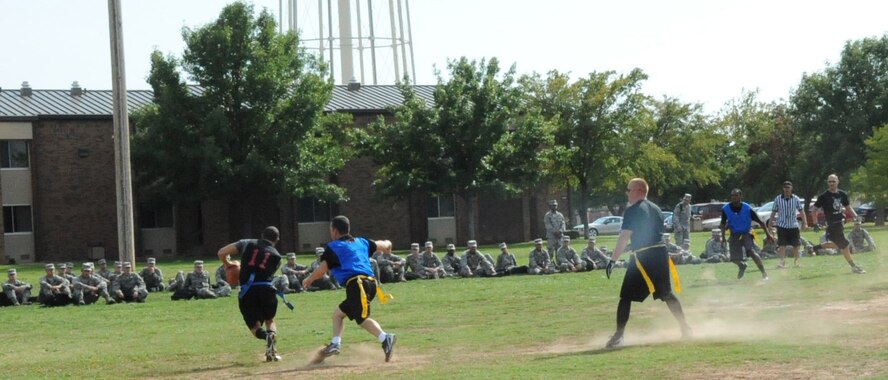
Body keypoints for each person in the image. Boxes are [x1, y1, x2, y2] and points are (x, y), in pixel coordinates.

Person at [604, 178, 691, 349]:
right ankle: (685, 328)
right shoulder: (656, 209)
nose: (626, 193)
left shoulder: (633, 210)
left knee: (626, 297)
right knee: (667, 294)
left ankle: (619, 335)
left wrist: (612, 260)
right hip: (660, 254)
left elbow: (624, 236)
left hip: (644, 257)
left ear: (638, 191)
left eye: (628, 190)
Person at [303, 215, 396, 363]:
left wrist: (309, 280)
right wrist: (388, 244)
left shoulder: (333, 247)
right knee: (338, 315)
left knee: (361, 319)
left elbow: (322, 270)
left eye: (330, 229)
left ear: (334, 231)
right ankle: (335, 343)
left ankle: (386, 338)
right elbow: (384, 245)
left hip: (357, 284)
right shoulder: (361, 242)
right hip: (369, 284)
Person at [217, 226, 285, 362]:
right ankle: (271, 350)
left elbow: (221, 252)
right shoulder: (277, 256)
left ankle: (266, 336)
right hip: (267, 290)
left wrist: (228, 264)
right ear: (277, 240)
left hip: (248, 291)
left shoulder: (248, 243)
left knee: (254, 326)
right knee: (269, 320)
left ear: (261, 235)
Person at [810, 174, 865, 274]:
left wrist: (856, 216)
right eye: (829, 181)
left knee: (838, 245)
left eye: (833, 181)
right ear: (827, 182)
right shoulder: (823, 196)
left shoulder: (842, 194)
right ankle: (854, 266)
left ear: (837, 182)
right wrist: (815, 223)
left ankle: (815, 248)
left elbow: (848, 207)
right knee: (844, 245)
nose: (831, 183)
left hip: (840, 224)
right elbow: (814, 210)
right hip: (832, 225)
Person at [719, 189, 774, 280]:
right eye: (732, 195)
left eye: (736, 195)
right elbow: (722, 224)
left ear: (740, 196)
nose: (734, 197)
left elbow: (761, 222)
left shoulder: (747, 208)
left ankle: (764, 273)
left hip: (746, 233)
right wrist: (723, 237)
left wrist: (768, 234)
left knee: (751, 252)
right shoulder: (726, 209)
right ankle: (742, 266)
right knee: (734, 258)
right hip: (734, 234)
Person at [769, 181, 808, 268]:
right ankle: (782, 263)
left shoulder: (796, 199)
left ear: (791, 188)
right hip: (782, 225)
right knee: (782, 245)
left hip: (793, 225)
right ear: (783, 189)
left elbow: (802, 212)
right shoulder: (778, 199)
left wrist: (805, 223)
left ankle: (797, 262)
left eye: (788, 187)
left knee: (796, 245)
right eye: (785, 187)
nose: (787, 189)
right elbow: (773, 212)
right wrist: (769, 225)